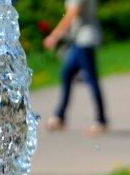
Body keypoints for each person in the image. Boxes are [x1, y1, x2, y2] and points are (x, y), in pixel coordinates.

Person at [43, 0, 107, 135]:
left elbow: (73, 13)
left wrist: (55, 35)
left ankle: (101, 121)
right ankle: (60, 116)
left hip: (85, 39)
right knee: (67, 73)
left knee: (91, 78)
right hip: (79, 39)